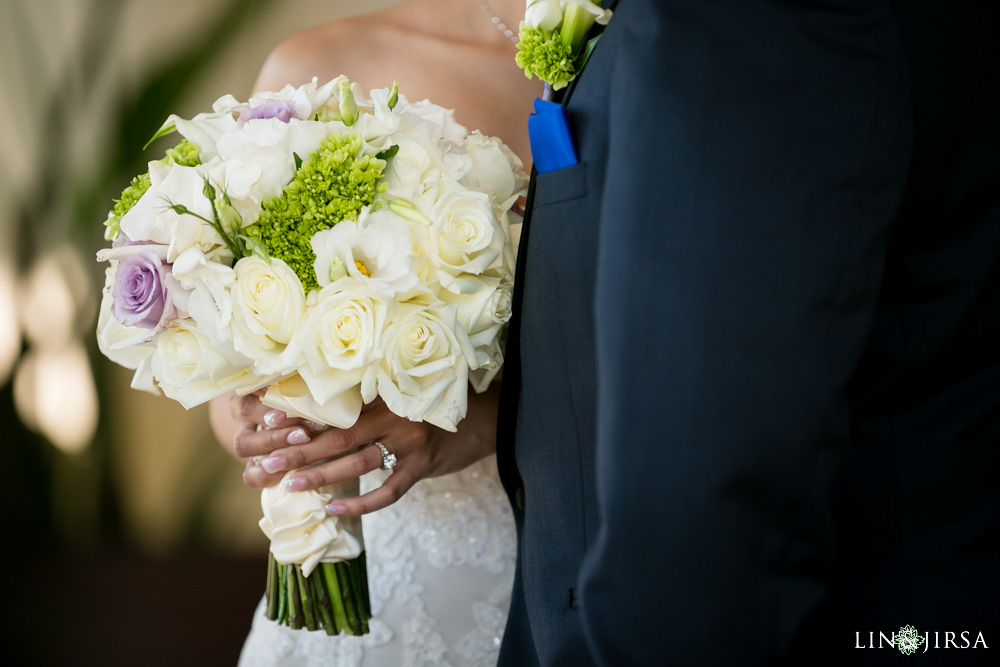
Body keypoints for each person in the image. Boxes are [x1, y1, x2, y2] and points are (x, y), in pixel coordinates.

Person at [209, 0, 537, 665]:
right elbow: (229, 378)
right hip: (375, 588)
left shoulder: (656, 67)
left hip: (588, 580)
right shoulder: (316, 67)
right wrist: (270, 422)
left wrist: (485, 418)